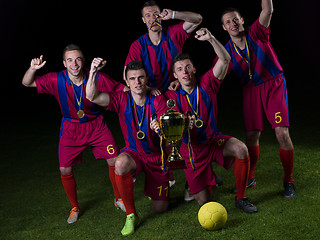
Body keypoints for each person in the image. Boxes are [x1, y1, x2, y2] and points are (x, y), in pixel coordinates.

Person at [21, 44, 127, 224]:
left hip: (96, 126)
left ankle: (118, 199)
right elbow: (27, 82)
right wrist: (32, 68)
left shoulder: (96, 77)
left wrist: (145, 89)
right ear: (64, 63)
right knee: (65, 169)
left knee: (114, 160)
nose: (74, 64)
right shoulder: (56, 79)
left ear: (83, 61)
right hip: (71, 128)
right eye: (70, 60)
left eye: (78, 59)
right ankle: (74, 207)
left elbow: (123, 89)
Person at [165, 28, 258, 214]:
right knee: (205, 203)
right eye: (180, 69)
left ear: (194, 69)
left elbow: (225, 60)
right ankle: (203, 181)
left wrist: (211, 38)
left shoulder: (207, 83)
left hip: (213, 141)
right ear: (174, 75)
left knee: (241, 149)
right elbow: (170, 132)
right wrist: (184, 127)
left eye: (188, 67)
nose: (185, 72)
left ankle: (241, 198)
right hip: (192, 151)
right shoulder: (171, 98)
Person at [86, 60, 172, 236]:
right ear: (126, 81)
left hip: (156, 157)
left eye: (141, 78)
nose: (137, 82)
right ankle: (131, 215)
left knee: (161, 209)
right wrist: (93, 72)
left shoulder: (158, 100)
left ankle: (153, 187)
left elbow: (170, 134)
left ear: (147, 78)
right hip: (135, 155)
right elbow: (92, 96)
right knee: (120, 162)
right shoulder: (121, 99)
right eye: (132, 79)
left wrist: (160, 128)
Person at [220, 0, 296, 198]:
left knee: (281, 134)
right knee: (252, 136)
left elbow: (268, 9)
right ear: (224, 27)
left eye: (235, 19)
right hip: (251, 90)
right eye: (228, 22)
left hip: (273, 84)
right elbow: (213, 76)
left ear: (242, 20)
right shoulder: (226, 52)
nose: (233, 23)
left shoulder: (256, 32)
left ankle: (288, 180)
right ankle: (250, 177)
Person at [124, 0, 202, 94]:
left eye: (155, 14)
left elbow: (197, 19)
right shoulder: (138, 45)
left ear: (160, 16)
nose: (153, 19)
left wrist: (173, 14)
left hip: (177, 92)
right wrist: (147, 88)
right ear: (143, 20)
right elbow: (126, 75)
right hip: (152, 97)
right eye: (148, 15)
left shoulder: (173, 34)